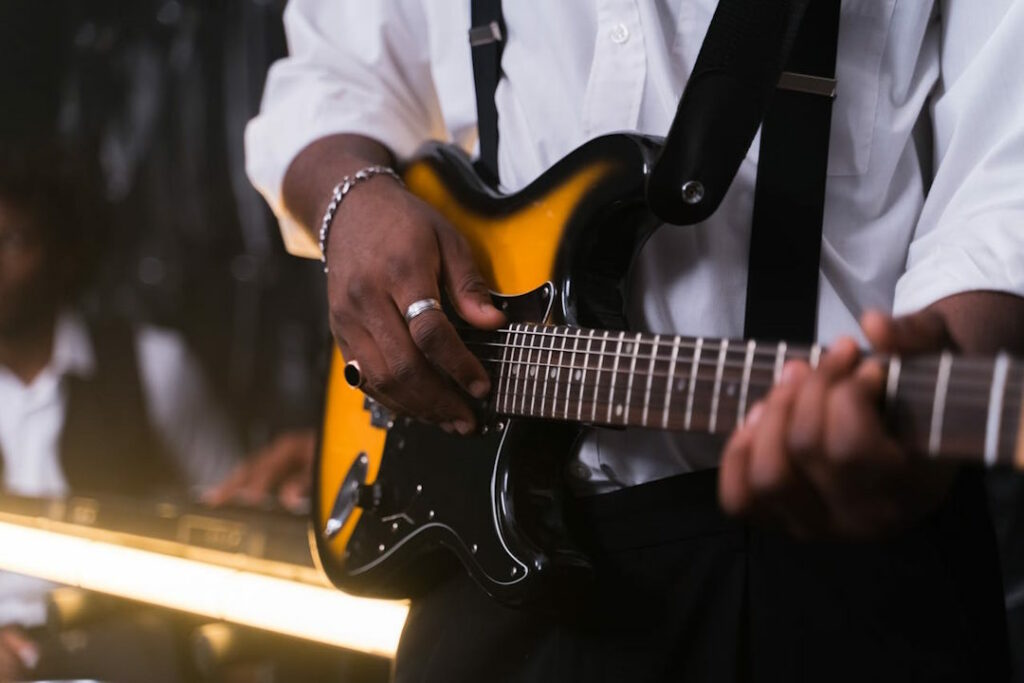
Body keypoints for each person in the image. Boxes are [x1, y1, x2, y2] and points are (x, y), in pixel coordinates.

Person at [246, 2, 1024, 681]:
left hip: (837, 567)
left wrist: (932, 400)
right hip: (487, 561)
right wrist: (348, 199)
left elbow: (1005, 166)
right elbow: (331, 74)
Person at [0, 142, 242, 680]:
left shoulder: (152, 365)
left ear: (63, 256)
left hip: (124, 649)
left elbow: (233, 515)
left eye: (12, 241)